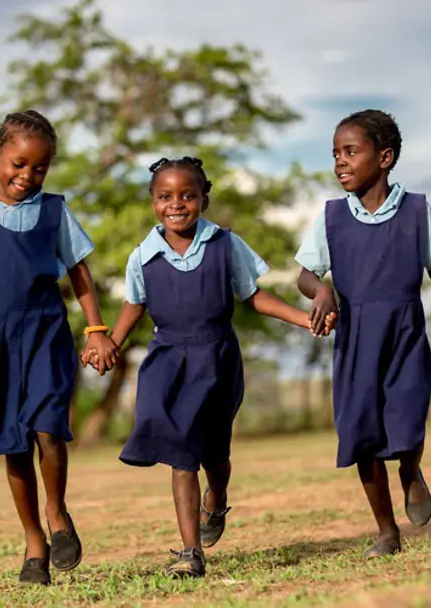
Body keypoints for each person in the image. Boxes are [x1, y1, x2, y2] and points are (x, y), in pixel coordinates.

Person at [83, 156, 334, 578]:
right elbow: (135, 305)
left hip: (217, 357)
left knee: (214, 452)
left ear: (203, 198)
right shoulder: (142, 256)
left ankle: (215, 497)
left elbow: (252, 295)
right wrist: (110, 342)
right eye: (165, 196)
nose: (176, 204)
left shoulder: (224, 244)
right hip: (167, 359)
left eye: (187, 195)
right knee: (180, 451)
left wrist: (302, 317)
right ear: (152, 202)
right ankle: (189, 553)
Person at [295, 109, 431, 557]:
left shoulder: (417, 210)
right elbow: (305, 274)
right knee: (362, 434)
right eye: (335, 153)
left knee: (408, 422)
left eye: (351, 152)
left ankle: (411, 471)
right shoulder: (331, 217)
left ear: (385, 157)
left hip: (404, 333)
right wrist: (321, 291)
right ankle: (386, 531)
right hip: (356, 338)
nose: (339, 162)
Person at [0, 110, 117, 585]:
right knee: (14, 440)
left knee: (49, 429)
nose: (26, 176)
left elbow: (79, 273)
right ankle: (34, 542)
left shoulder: (54, 211)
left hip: (47, 330)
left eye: (39, 168)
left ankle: (57, 512)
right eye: (17, 164)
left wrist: (96, 330)